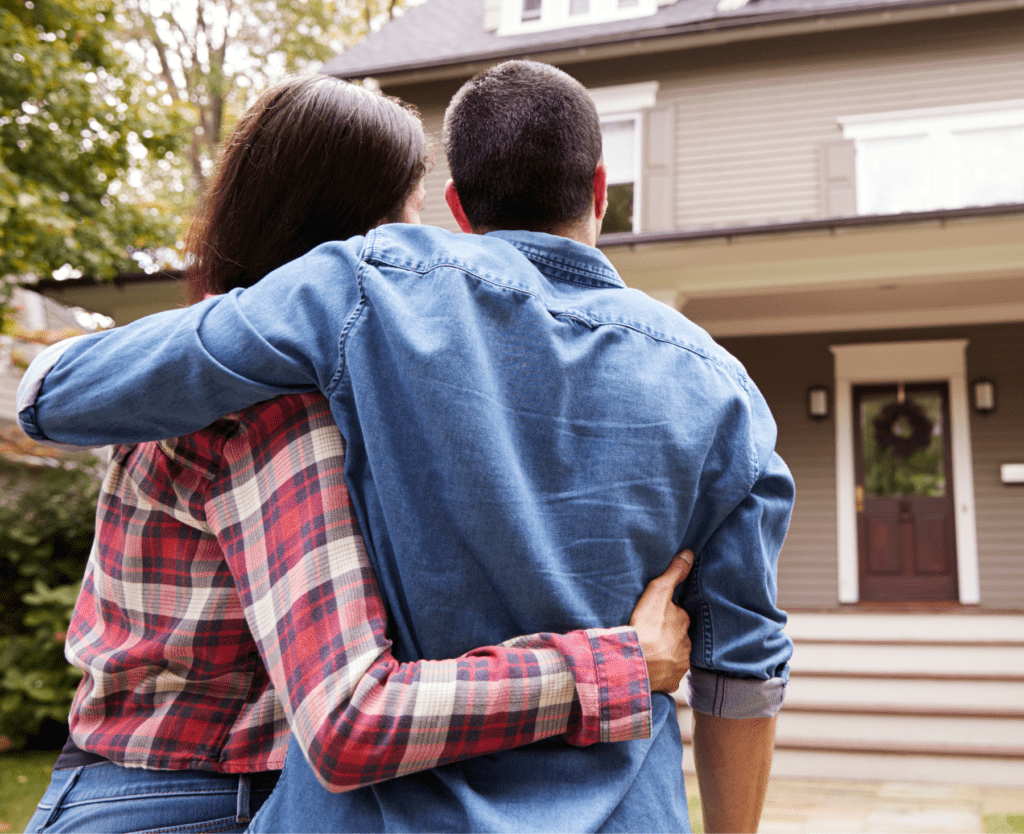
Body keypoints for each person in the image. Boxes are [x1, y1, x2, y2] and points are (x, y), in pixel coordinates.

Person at [19, 61, 794, 833]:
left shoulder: (361, 298)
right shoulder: (727, 394)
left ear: (457, 207)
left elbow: (53, 396)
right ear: (599, 191)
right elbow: (744, 672)